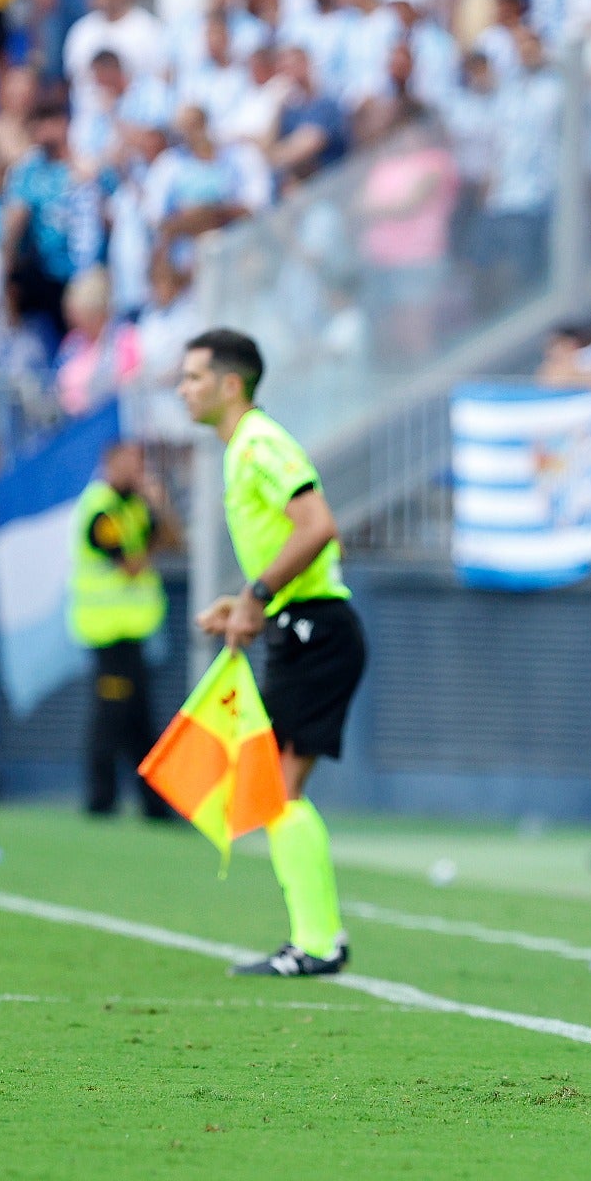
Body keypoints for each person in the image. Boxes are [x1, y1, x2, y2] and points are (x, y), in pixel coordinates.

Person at [177, 330, 368, 978]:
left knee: (279, 789)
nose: (184, 388)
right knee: (277, 789)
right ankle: (315, 941)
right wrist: (247, 601)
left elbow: (318, 527)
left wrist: (257, 594)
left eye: (195, 377)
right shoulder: (241, 449)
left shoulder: (259, 443)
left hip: (317, 627)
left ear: (231, 384)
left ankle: (318, 944)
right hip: (301, 623)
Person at [69, 440, 180, 820]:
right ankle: (101, 798)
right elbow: (131, 566)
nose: (137, 470)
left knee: (139, 716)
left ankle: (151, 802)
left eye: (140, 462)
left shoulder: (136, 506)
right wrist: (152, 542)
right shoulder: (100, 510)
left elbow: (174, 541)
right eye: (129, 463)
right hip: (107, 633)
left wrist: (160, 505)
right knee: (111, 714)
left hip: (133, 632)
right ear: (109, 464)